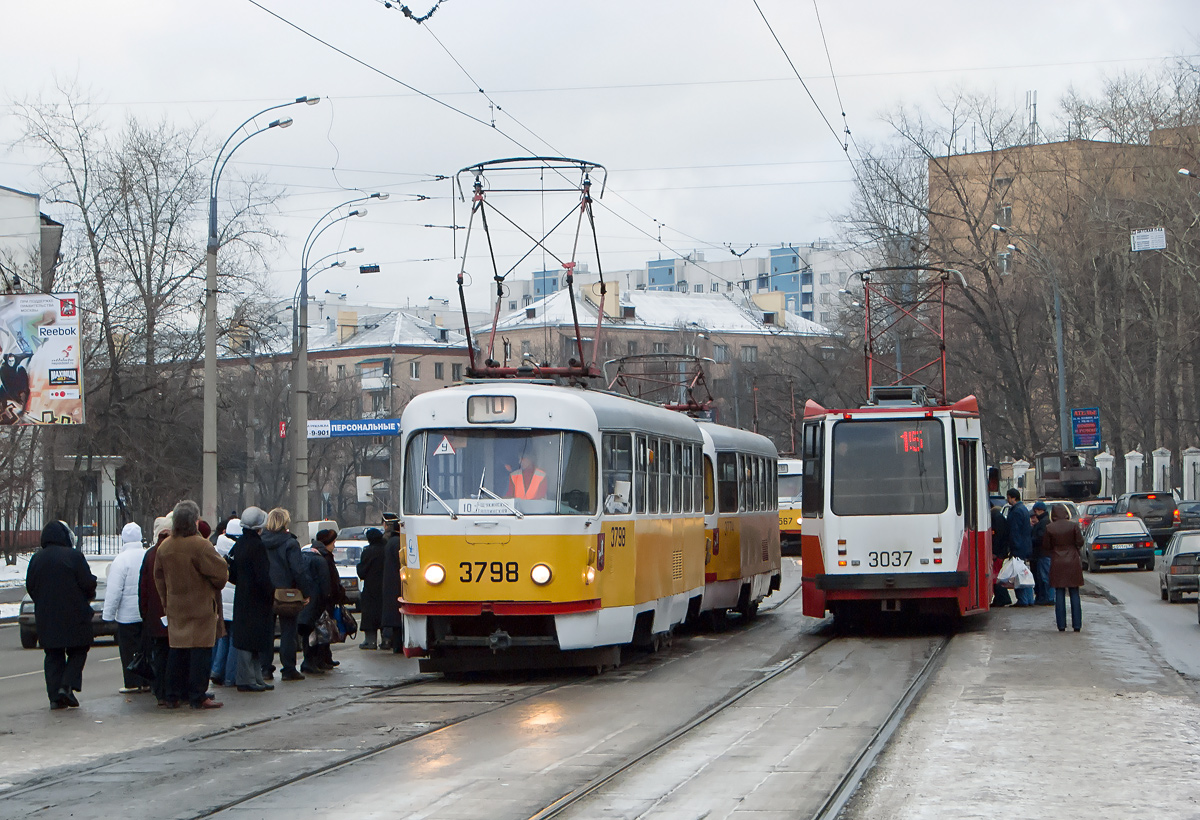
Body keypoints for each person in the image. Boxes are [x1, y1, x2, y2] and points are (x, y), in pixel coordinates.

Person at [154, 500, 229, 710]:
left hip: (176, 607)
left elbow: (158, 577)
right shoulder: (201, 545)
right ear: (194, 522)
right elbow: (220, 574)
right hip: (201, 607)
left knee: (177, 652)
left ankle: (172, 695)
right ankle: (197, 695)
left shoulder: (165, 546)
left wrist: (166, 601)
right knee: (200, 653)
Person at [26, 521, 96, 710]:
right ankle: (66, 685)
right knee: (79, 649)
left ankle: (55, 697)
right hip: (75, 615)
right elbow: (88, 584)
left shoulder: (36, 559)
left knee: (52, 654)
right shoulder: (73, 556)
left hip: (47, 616)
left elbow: (30, 586)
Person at [261, 507, 311, 681]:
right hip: (287, 593)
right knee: (288, 632)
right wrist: (306, 591)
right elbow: (298, 570)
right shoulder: (290, 543)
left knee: (266, 632)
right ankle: (288, 668)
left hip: (265, 591)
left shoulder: (261, 541)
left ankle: (265, 668)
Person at [229, 506, 275, 692]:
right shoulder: (258, 546)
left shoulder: (239, 544)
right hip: (258, 600)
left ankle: (255, 678)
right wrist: (270, 593)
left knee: (247, 640)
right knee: (253, 641)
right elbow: (263, 575)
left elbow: (231, 572)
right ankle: (248, 679)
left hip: (242, 597)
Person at [102, 522, 149, 693]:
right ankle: (147, 680)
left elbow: (114, 590)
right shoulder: (146, 555)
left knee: (129, 650)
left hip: (126, 615)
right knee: (146, 648)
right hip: (145, 613)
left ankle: (132, 682)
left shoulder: (120, 560)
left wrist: (108, 615)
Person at [299, 529, 346, 673]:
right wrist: (332, 596)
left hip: (310, 600)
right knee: (321, 632)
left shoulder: (307, 555)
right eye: (333, 542)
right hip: (321, 602)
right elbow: (327, 582)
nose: (334, 545)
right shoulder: (323, 558)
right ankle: (315, 661)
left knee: (318, 631)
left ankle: (323, 658)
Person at [139, 515, 173, 705]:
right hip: (173, 613)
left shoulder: (150, 554)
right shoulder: (173, 552)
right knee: (174, 655)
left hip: (154, 615)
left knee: (159, 655)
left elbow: (143, 587)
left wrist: (145, 612)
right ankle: (172, 692)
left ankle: (159, 691)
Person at [209, 518, 241, 687]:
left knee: (222, 637)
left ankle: (216, 670)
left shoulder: (216, 548)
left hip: (221, 599)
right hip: (235, 600)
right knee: (234, 639)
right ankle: (230, 676)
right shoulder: (239, 550)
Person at [1045, 505, 1085, 632]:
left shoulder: (1049, 528)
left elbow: (1046, 545)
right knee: (1074, 593)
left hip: (1057, 561)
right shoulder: (1073, 526)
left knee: (1060, 593)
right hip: (1073, 561)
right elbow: (1080, 541)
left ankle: (1061, 625)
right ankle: (1077, 625)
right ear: (1066, 513)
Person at [357, 527, 386, 650]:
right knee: (384, 614)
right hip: (385, 587)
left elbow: (362, 572)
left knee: (370, 615)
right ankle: (386, 640)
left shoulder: (368, 552)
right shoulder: (386, 550)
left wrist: (359, 566)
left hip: (370, 588)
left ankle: (370, 641)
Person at [379, 513, 404, 652]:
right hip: (397, 583)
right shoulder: (398, 543)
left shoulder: (390, 542)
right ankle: (397, 646)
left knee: (393, 617)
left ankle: (395, 644)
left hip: (390, 583)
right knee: (397, 618)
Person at [1006, 489, 1035, 606]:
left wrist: (1013, 547)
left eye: (1008, 497)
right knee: (1024, 573)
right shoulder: (1023, 509)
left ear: (1013, 498)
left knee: (1018, 574)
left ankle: (1023, 599)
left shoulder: (1016, 511)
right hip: (1025, 546)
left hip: (1018, 548)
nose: (1007, 500)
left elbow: (1014, 531)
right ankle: (1029, 599)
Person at [1030, 501, 1053, 606]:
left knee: (1045, 578)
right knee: (1044, 577)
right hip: (1043, 554)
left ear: (1040, 510)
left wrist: (1031, 539)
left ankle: (1048, 598)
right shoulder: (1045, 521)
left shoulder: (1043, 523)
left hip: (1043, 554)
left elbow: (1040, 538)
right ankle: (1046, 597)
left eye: (1036, 511)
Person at [989, 502, 1012, 608]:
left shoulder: (995, 518)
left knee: (996, 576)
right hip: (1001, 552)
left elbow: (997, 538)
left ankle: (1002, 598)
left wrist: (995, 552)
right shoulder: (999, 517)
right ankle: (1003, 597)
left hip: (998, 553)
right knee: (997, 575)